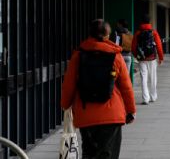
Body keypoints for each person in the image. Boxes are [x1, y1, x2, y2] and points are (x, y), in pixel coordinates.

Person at [61, 19, 136, 159]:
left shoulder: (78, 56)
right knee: (108, 154)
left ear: (90, 34)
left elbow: (68, 84)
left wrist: (66, 105)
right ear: (108, 35)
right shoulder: (116, 56)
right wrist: (131, 110)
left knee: (89, 153)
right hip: (111, 115)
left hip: (85, 114)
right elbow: (126, 87)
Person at [131, 15, 164, 105]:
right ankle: (153, 96)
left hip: (142, 59)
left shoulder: (137, 33)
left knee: (143, 78)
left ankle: (145, 98)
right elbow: (159, 45)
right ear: (150, 22)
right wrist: (161, 57)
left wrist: (137, 56)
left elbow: (133, 46)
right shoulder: (153, 32)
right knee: (153, 77)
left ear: (141, 22)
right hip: (152, 58)